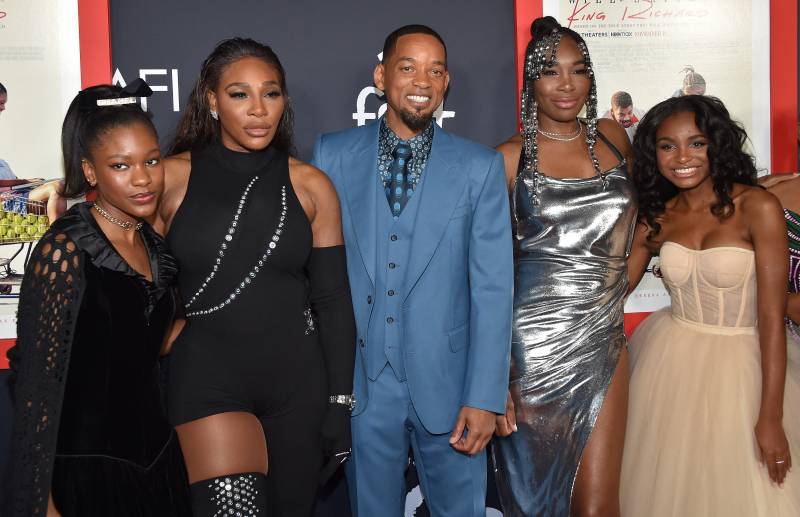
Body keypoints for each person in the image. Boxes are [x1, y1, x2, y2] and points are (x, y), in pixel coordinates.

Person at [311, 24, 513, 516]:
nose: (422, 80)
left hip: (450, 385)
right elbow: (313, 275)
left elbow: (493, 287)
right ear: (381, 77)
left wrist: (485, 396)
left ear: (445, 84)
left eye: (435, 70)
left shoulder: (478, 167)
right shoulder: (330, 155)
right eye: (407, 67)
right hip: (363, 385)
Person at [158, 37, 356, 516]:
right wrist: (166, 337)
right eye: (239, 94)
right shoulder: (169, 178)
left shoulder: (311, 185)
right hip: (208, 382)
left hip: (298, 388)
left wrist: (339, 402)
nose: (258, 110)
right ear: (211, 101)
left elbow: (332, 300)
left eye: (270, 93)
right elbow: (129, 283)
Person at [3, 80, 191, 516]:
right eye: (121, 166)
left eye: (151, 160)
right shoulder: (65, 250)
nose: (143, 178)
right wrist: (42, 500)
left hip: (158, 465)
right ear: (91, 172)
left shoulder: (155, 247)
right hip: (84, 475)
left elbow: (146, 340)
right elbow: (34, 385)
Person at [622, 95, 800, 516]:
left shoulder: (758, 207)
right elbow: (612, 293)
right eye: (667, 146)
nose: (682, 157)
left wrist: (770, 418)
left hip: (747, 367)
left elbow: (772, 319)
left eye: (696, 143)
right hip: (669, 366)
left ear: (717, 144)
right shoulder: (657, 216)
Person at [492, 16, 637, 517]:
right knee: (533, 504)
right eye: (551, 71)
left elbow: (644, 227)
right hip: (528, 352)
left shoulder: (615, 138)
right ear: (531, 81)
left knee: (598, 505)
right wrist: (493, 377)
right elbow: (484, 275)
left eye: (579, 70)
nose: (567, 84)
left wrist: (615, 292)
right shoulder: (509, 160)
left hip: (602, 341)